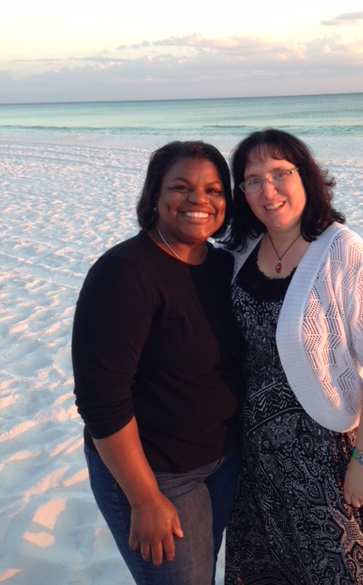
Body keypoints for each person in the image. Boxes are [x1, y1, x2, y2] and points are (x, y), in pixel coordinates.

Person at [223, 129, 363, 584]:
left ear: (305, 176)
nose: (267, 191)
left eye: (279, 173)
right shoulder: (240, 250)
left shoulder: (345, 253)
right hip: (257, 456)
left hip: (328, 454)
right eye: (252, 180)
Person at [72, 141, 244, 585]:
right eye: (181, 187)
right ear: (154, 197)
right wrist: (145, 498)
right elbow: (101, 401)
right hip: (157, 473)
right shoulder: (125, 273)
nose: (199, 200)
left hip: (222, 462)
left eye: (213, 189)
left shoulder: (225, 266)